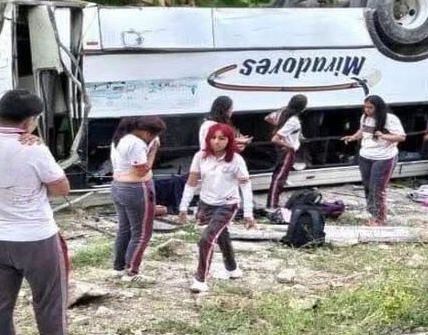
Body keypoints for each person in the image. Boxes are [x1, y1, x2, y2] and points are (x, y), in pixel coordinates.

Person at [0, 89, 93, 335]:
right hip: (36, 238)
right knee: (49, 303)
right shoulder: (33, 149)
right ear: (29, 122)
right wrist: (39, 145)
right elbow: (60, 188)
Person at [177, 123, 256, 293]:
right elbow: (192, 182)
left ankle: (201, 279)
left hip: (228, 204)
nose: (217, 142)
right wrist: (183, 207)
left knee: (206, 239)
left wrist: (248, 213)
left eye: (222, 138)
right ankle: (232, 269)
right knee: (221, 235)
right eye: (213, 138)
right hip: (206, 203)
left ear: (229, 140)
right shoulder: (200, 157)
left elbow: (245, 186)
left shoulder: (236, 160)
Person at [110, 115, 167, 282]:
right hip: (136, 188)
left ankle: (119, 267)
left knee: (124, 229)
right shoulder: (136, 143)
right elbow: (142, 170)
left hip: (118, 186)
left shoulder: (119, 139)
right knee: (142, 232)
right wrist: (153, 149)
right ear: (149, 133)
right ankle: (132, 270)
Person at [343, 95, 406, 225]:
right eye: (365, 107)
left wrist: (384, 136)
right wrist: (353, 137)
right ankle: (373, 213)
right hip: (365, 155)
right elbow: (362, 130)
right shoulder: (364, 117)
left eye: (370, 107)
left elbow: (401, 137)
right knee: (367, 186)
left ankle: (380, 218)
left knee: (377, 188)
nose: (367, 110)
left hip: (384, 157)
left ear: (378, 107)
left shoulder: (390, 119)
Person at [266, 94, 307, 211]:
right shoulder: (293, 120)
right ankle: (272, 205)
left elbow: (268, 118)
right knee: (279, 178)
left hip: (281, 150)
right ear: (303, 107)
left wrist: (278, 126)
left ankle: (272, 203)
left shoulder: (283, 112)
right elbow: (275, 138)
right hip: (287, 151)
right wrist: (289, 145)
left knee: (278, 176)